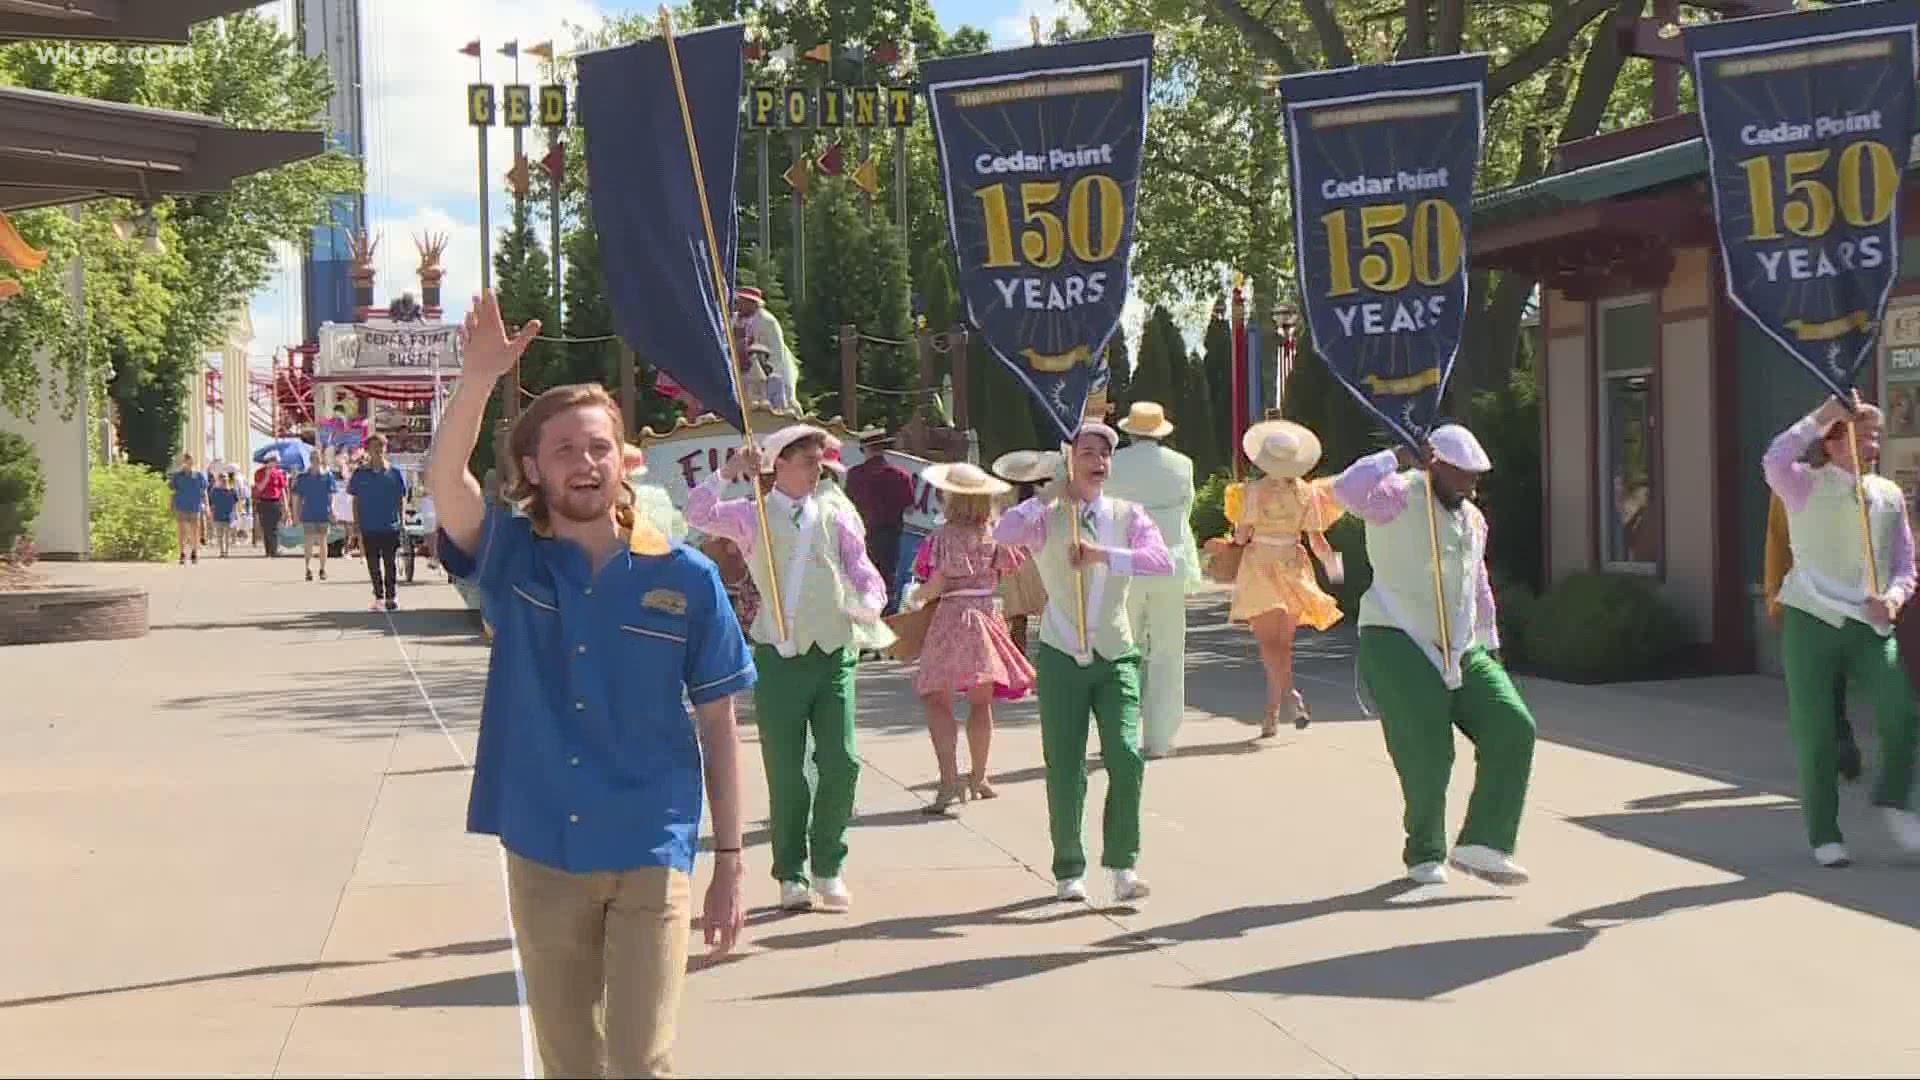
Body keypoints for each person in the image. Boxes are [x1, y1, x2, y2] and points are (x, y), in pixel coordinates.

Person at [430, 290, 753, 1077]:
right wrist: (475, 381)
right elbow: (446, 486)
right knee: (571, 1061)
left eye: (599, 446)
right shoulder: (510, 556)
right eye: (566, 449)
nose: (585, 462)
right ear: (533, 469)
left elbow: (718, 721)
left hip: (652, 840)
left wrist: (732, 863)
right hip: (543, 842)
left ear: (624, 460)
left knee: (640, 1060)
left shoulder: (688, 577)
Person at [688, 424, 894, 913]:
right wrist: (727, 472)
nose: (815, 466)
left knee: (841, 763)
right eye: (803, 459)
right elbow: (697, 514)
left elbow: (861, 565)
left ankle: (829, 866)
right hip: (779, 655)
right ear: (777, 464)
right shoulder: (750, 515)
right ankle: (791, 874)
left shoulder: (834, 513)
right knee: (787, 772)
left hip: (833, 650)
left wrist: (870, 601)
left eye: (817, 459)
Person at [1333, 424, 1536, 886]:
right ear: (1436, 466)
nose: (1472, 483)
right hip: (1396, 635)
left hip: (1461, 644)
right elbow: (1345, 489)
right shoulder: (1396, 496)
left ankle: (1483, 843)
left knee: (1513, 725)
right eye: (1462, 473)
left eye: (1476, 475)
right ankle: (1425, 852)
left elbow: (1478, 586)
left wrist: (1492, 644)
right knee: (1428, 749)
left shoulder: (1473, 519)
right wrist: (1397, 456)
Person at [993, 421, 1173, 904]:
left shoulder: (1126, 514)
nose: (1099, 462)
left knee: (1125, 755)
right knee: (1065, 763)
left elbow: (1161, 560)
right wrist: (1047, 494)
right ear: (1070, 459)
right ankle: (1069, 867)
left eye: (1105, 454)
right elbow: (1003, 532)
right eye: (1088, 452)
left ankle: (1122, 865)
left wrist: (1101, 554)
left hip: (1115, 653)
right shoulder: (1047, 515)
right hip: (1059, 654)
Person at [1762, 393, 1920, 868]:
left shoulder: (1888, 496)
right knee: (1816, 733)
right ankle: (1824, 832)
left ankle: (1892, 796)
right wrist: (1821, 416)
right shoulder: (1801, 485)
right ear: (1832, 443)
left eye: (1875, 435)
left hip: (1868, 623)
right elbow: (1774, 457)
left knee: (1901, 712)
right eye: (1862, 433)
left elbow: (1905, 565)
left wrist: (1892, 598)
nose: (1872, 443)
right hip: (1811, 620)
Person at [910, 462, 1037, 813]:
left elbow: (936, 584)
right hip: (986, 617)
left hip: (951, 618)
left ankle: (949, 782)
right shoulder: (995, 535)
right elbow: (1011, 570)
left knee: (937, 699)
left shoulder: (940, 538)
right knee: (981, 702)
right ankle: (979, 777)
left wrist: (916, 598)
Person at [1764, 404, 1881, 781]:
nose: (1869, 448)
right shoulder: (1796, 490)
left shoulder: (1871, 491)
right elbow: (1778, 545)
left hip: (1864, 601)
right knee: (1827, 686)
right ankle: (1838, 746)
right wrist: (1774, 595)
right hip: (1814, 604)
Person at [1226, 419, 1349, 736]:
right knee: (1283, 646)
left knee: (1270, 645)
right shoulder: (1307, 493)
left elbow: (1240, 537)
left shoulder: (1252, 492)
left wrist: (1235, 535)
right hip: (1295, 566)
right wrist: (1336, 572)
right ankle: (1274, 710)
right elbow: (1318, 541)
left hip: (1260, 566)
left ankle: (1287, 702)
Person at [1105, 402, 1204, 758]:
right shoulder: (1182, 465)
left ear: (1130, 431)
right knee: (1167, 652)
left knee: (1121, 651)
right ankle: (1160, 738)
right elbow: (1186, 512)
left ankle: (1120, 732)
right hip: (1169, 564)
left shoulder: (1114, 465)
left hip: (1125, 564)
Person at [991, 450, 1059, 652]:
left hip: (1012, 562)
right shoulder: (1046, 497)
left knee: (1017, 620)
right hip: (1040, 560)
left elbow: (996, 528)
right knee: (1049, 617)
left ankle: (1020, 668)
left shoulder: (1000, 497)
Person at [845, 432, 916, 616]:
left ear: (864, 449)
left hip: (861, 533)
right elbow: (909, 509)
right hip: (889, 535)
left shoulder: (855, 475)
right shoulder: (900, 476)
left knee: (860, 579)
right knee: (886, 581)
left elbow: (847, 506)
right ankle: (885, 621)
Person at [350, 434, 409, 612]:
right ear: (368, 449)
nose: (379, 449)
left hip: (390, 525)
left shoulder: (395, 473)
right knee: (373, 564)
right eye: (375, 446)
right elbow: (356, 500)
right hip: (369, 526)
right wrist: (356, 524)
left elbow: (401, 498)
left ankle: (392, 596)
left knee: (390, 563)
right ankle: (379, 597)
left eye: (382, 446)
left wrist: (402, 519)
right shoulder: (360, 474)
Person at [735, 286, 797, 407]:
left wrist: (768, 369)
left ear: (752, 303)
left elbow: (777, 350)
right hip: (743, 371)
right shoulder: (734, 319)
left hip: (766, 370)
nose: (739, 305)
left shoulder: (768, 321)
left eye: (742, 302)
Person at [290, 455, 337, 583]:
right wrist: (295, 514)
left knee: (323, 541)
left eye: (317, 459)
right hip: (308, 512)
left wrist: (332, 510)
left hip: (323, 512)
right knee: (309, 540)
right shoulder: (303, 477)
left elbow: (331, 495)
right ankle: (308, 568)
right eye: (313, 459)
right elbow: (296, 498)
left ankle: (322, 569)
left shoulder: (328, 476)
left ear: (321, 461)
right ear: (310, 460)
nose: (315, 462)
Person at [168, 454, 209, 565]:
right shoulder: (177, 476)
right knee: (182, 531)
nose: (187, 463)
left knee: (194, 531)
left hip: (195, 506)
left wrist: (207, 506)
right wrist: (171, 505)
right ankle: (182, 553)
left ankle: (194, 551)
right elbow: (173, 491)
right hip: (181, 506)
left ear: (192, 462)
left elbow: (204, 492)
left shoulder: (199, 476)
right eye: (185, 461)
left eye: (189, 461)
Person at [253, 453, 289, 557]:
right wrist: (267, 476)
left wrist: (286, 505)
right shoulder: (259, 473)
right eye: (274, 461)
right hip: (263, 502)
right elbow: (259, 488)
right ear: (268, 461)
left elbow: (282, 490)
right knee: (266, 527)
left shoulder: (278, 473)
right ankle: (268, 550)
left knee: (274, 527)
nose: (276, 463)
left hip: (275, 502)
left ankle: (274, 550)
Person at [208, 472, 240, 558]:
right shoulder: (214, 491)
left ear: (228, 479)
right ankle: (221, 551)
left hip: (229, 515)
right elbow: (212, 505)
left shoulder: (232, 491)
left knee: (227, 534)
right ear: (218, 480)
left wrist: (236, 514)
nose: (223, 479)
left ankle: (226, 552)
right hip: (218, 515)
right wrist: (211, 515)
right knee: (220, 535)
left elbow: (235, 504)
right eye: (221, 477)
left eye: (225, 477)